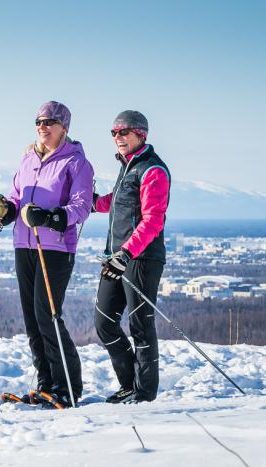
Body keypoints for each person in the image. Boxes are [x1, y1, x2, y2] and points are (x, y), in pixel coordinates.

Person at [0, 101, 94, 407]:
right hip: (24, 244)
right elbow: (17, 197)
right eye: (38, 122)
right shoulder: (28, 160)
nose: (41, 127)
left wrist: (50, 217)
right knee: (32, 319)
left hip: (55, 248)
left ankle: (67, 386)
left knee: (48, 315)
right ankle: (46, 382)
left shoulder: (76, 163)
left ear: (64, 127)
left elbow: (81, 206)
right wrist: (6, 209)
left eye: (49, 122)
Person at [92, 110, 171, 404]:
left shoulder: (153, 170)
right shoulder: (128, 167)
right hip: (117, 256)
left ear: (141, 134)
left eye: (123, 132)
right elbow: (117, 201)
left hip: (142, 258)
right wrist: (92, 203)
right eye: (113, 133)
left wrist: (126, 253)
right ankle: (129, 384)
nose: (118, 137)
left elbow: (153, 219)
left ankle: (144, 393)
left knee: (140, 325)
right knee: (104, 322)